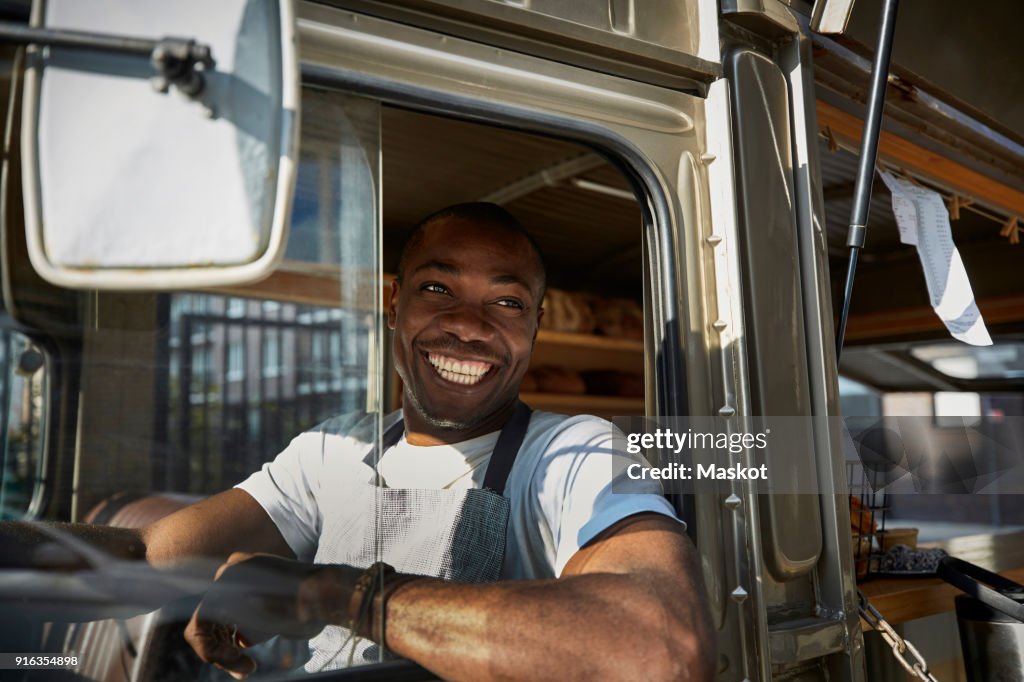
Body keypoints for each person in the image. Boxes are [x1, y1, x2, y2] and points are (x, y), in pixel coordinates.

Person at [6, 203, 715, 681]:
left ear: (530, 333)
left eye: (506, 303)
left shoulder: (574, 453)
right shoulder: (334, 450)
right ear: (394, 304)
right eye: (439, 289)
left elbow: (661, 648)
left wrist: (336, 591)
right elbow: (148, 554)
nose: (470, 325)